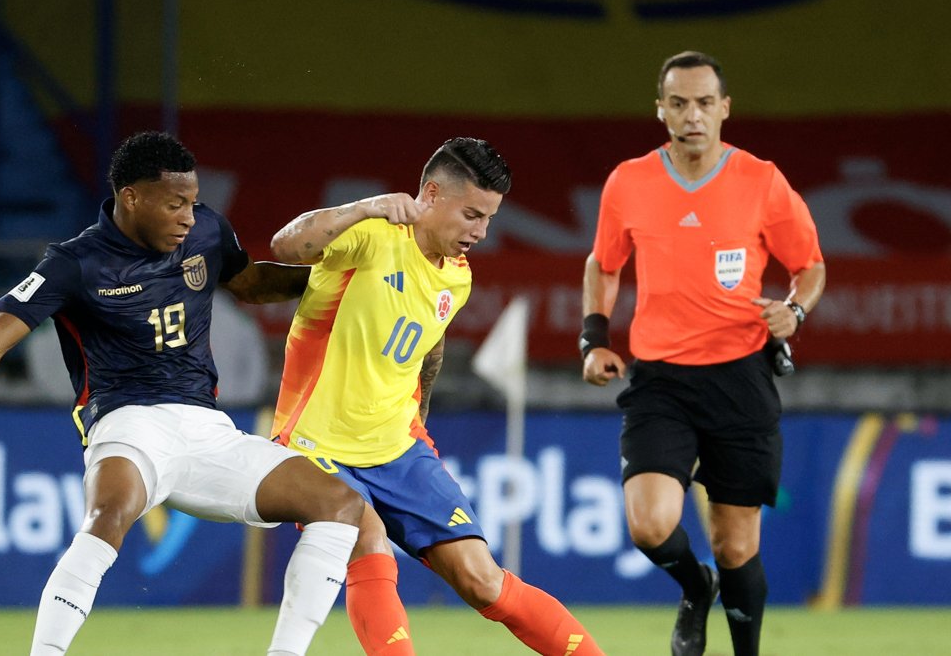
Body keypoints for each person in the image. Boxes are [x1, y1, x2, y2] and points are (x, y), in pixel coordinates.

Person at [0, 131, 364, 656]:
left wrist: (337, 278)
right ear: (131, 197)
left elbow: (249, 283)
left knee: (339, 505)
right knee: (110, 514)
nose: (187, 216)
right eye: (175, 203)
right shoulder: (74, 263)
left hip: (208, 429)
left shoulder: (205, 233)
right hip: (127, 422)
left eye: (194, 202)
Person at [270, 138, 603, 656]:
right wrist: (366, 205)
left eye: (489, 218)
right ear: (430, 194)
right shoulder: (374, 234)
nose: (481, 231)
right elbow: (285, 247)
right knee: (368, 539)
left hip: (398, 449)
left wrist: (417, 421)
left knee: (482, 580)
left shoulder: (458, 275)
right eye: (472, 214)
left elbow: (429, 346)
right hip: (318, 445)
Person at [579, 51, 826, 656]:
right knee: (649, 524)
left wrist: (793, 312)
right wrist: (594, 337)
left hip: (740, 377)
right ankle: (695, 589)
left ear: (725, 109)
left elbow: (811, 266)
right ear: (661, 109)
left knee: (737, 545)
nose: (693, 115)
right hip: (660, 379)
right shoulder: (629, 181)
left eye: (705, 103)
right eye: (680, 103)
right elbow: (603, 265)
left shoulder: (762, 181)